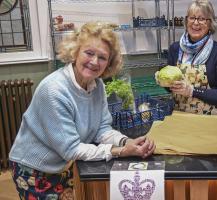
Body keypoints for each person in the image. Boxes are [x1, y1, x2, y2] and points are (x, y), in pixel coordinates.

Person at [9, 21, 155, 199]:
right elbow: (71, 149)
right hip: (35, 170)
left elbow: (102, 129)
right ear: (75, 52)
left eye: (102, 57)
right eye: (89, 53)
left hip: (66, 165)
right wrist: (120, 151)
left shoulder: (97, 85)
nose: (94, 62)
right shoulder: (54, 90)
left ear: (109, 63)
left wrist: (127, 141)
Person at [167, 0, 217, 116]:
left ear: (210, 23)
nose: (195, 23)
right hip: (179, 116)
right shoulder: (175, 49)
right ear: (186, 21)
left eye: (202, 19)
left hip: (211, 119)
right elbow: (170, 88)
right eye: (192, 18)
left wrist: (192, 91)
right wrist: (164, 82)